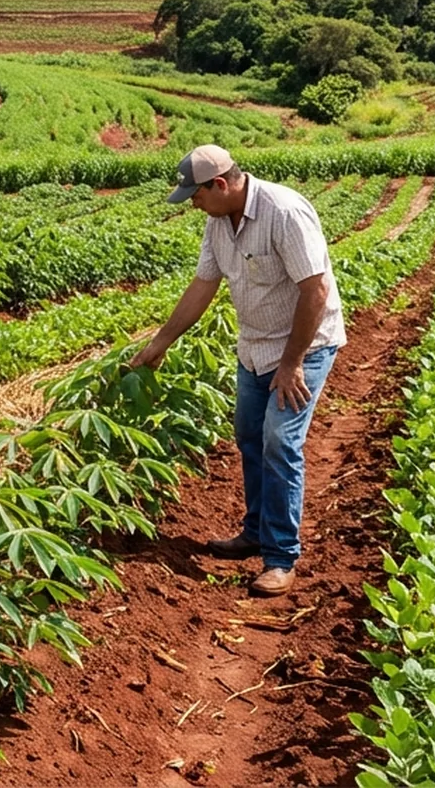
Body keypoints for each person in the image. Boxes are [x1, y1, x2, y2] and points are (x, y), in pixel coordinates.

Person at [130, 145, 343, 596]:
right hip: (254, 349)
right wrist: (160, 342)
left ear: (220, 184)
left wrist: (292, 363)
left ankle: (281, 557)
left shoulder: (283, 212)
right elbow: (203, 285)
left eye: (196, 194)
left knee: (279, 442)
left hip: (303, 347)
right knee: (249, 436)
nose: (193, 203)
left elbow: (316, 290)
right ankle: (255, 531)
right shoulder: (217, 222)